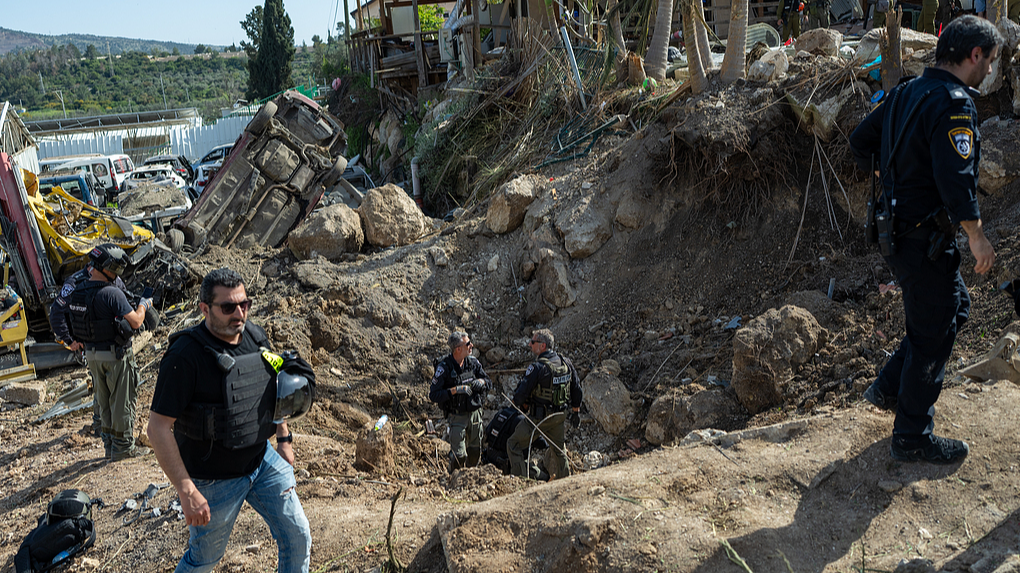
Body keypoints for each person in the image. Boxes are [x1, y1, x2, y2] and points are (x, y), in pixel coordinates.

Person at [849, 15, 1002, 464]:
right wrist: (977, 236)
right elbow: (956, 180)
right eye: (990, 61)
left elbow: (862, 140)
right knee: (933, 333)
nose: (991, 71)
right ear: (974, 55)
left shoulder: (906, 92)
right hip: (923, 240)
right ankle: (912, 435)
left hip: (898, 235)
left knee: (954, 308)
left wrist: (891, 173)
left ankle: (888, 387)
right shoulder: (954, 103)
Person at [148, 268, 315, 573]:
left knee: (298, 536)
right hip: (213, 480)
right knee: (204, 561)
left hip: (261, 461)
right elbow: (157, 428)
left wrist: (284, 439)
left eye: (244, 304)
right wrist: (187, 491)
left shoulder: (255, 336)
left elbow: (273, 387)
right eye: (228, 307)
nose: (239, 313)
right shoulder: (184, 356)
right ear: (204, 309)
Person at [66, 244, 151, 461]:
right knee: (121, 400)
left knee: (103, 403)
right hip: (116, 355)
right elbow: (136, 321)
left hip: (92, 357)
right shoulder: (112, 293)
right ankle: (123, 448)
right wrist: (143, 305)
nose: (117, 274)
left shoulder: (77, 291)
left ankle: (109, 447)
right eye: (116, 269)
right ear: (107, 267)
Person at [50, 262, 127, 435]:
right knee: (102, 388)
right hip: (92, 344)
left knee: (115, 389)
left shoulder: (112, 276)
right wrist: (70, 341)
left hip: (115, 343)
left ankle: (107, 428)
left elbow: (124, 301)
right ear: (91, 268)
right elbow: (56, 312)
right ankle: (103, 428)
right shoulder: (75, 282)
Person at [507, 329, 583, 481]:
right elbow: (577, 389)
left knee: (513, 443)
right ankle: (566, 482)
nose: (530, 344)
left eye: (533, 342)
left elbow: (521, 393)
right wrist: (576, 412)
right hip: (558, 417)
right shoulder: (565, 362)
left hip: (539, 419)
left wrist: (514, 407)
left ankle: (522, 480)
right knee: (559, 451)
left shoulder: (537, 367)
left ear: (542, 346)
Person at [428, 331, 491, 472]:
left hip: (475, 415)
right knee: (459, 456)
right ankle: (453, 479)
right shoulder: (444, 367)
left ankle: (471, 479)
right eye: (468, 343)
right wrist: (455, 390)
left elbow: (488, 381)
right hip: (457, 417)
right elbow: (433, 395)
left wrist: (481, 382)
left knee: (475, 453)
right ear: (458, 349)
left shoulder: (473, 363)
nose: (471, 345)